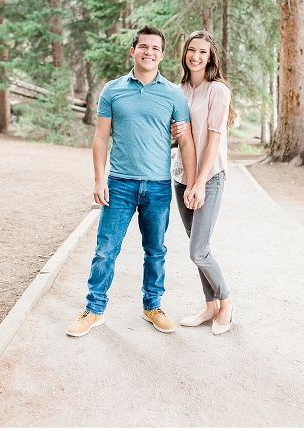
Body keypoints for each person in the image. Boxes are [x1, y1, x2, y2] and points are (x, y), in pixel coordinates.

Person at [67, 25, 197, 337]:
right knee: (105, 249)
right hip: (120, 184)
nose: (149, 52)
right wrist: (99, 180)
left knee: (155, 250)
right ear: (133, 51)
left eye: (155, 48)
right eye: (143, 47)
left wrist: (192, 183)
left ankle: (152, 306)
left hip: (158, 186)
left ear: (162, 55)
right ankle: (94, 309)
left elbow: (188, 142)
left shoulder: (173, 95)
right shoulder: (112, 90)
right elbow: (100, 138)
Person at [170, 30, 236, 335]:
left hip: (208, 178)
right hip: (181, 177)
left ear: (211, 58)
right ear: (185, 53)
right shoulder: (178, 89)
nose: (196, 56)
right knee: (198, 246)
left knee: (199, 251)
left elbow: (213, 139)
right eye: (191, 50)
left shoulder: (218, 91)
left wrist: (198, 183)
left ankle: (227, 301)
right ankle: (210, 307)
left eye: (203, 52)